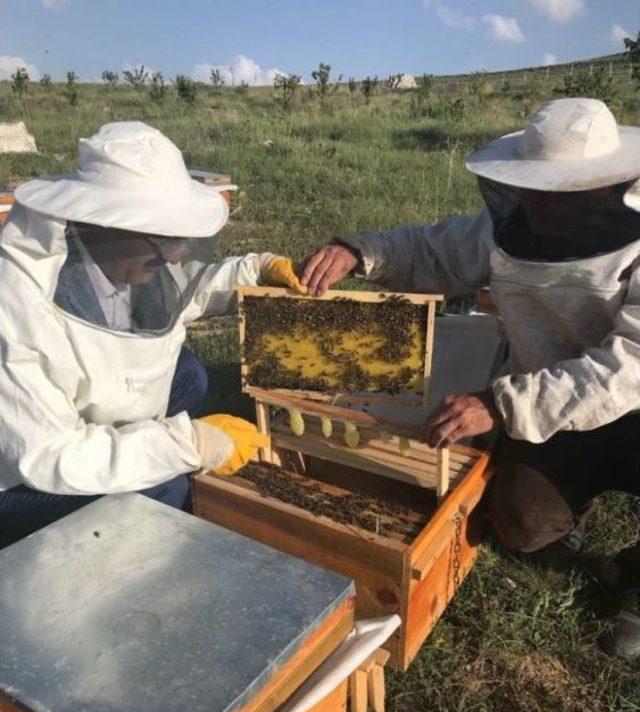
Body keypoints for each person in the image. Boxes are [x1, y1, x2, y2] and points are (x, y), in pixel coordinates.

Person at [300, 98, 640, 660]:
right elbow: (432, 251)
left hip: (630, 403)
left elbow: (626, 368)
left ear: (601, 186)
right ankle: (573, 505)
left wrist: (501, 406)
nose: (534, 204)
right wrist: (359, 251)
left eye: (553, 192)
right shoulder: (507, 227)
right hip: (550, 399)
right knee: (522, 523)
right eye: (531, 188)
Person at [0, 121, 305, 548]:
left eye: (178, 238)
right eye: (161, 240)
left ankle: (145, 452)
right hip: (20, 485)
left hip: (87, 415)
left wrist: (256, 270)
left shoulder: (124, 258)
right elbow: (51, 456)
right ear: (98, 226)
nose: (175, 254)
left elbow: (192, 290)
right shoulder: (14, 306)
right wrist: (188, 443)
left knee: (189, 376)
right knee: (164, 490)